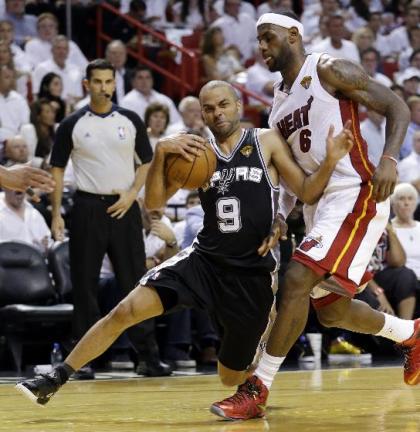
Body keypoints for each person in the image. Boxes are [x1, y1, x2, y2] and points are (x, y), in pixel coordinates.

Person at [15, 79, 354, 407]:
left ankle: (255, 377)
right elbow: (154, 204)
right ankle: (56, 378)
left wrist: (331, 160)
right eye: (208, 108)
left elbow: (308, 192)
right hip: (204, 261)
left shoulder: (266, 141)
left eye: (223, 104)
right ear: (202, 115)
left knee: (228, 376)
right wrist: (161, 152)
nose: (217, 113)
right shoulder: (194, 151)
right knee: (125, 310)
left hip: (251, 274)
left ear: (238, 105)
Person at [213, 11, 419, 421]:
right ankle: (411, 334)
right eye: (258, 41)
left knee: (297, 278)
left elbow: (395, 105)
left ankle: (258, 387)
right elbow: (292, 176)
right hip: (317, 206)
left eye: (269, 38)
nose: (262, 47)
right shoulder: (277, 103)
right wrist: (280, 215)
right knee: (332, 311)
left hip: (356, 192)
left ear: (293, 35)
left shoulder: (327, 69)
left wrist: (390, 158)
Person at [43, 58, 167, 379]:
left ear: (115, 83)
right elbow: (56, 170)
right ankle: (81, 360)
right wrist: (56, 213)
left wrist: (131, 194)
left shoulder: (130, 119)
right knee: (84, 285)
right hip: (86, 208)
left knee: (135, 283)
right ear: (86, 84)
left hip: (124, 207)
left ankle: (148, 356)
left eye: (108, 81)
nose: (103, 87)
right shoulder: (71, 123)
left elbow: (146, 164)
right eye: (97, 81)